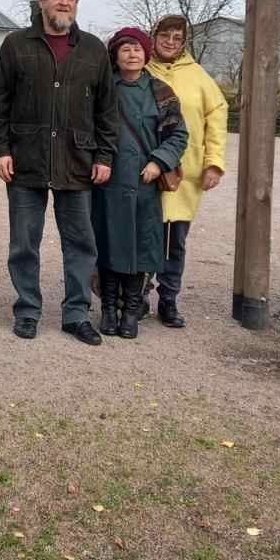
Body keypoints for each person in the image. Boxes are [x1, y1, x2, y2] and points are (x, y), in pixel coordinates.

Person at [0, 0, 118, 346]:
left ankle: (76, 313)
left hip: (78, 162)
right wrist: (1, 149)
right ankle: (28, 309)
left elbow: (108, 111)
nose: (64, 3)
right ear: (42, 1)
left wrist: (104, 155)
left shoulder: (94, 50)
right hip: (26, 161)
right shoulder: (16, 45)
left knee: (80, 243)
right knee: (24, 243)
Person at [92, 27, 188, 341]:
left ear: (146, 54)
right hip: (108, 181)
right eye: (125, 49)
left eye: (137, 49)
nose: (132, 55)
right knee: (108, 243)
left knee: (140, 247)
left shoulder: (161, 91)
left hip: (144, 182)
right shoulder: (103, 89)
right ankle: (108, 307)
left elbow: (178, 135)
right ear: (115, 56)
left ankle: (131, 310)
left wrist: (158, 161)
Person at [144, 15, 228, 328]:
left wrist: (214, 163)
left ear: (184, 42)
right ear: (155, 37)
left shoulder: (200, 78)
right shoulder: (142, 69)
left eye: (177, 37)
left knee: (175, 240)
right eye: (165, 35)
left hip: (183, 173)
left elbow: (217, 118)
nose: (170, 42)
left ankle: (168, 299)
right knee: (145, 236)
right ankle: (139, 295)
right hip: (146, 169)